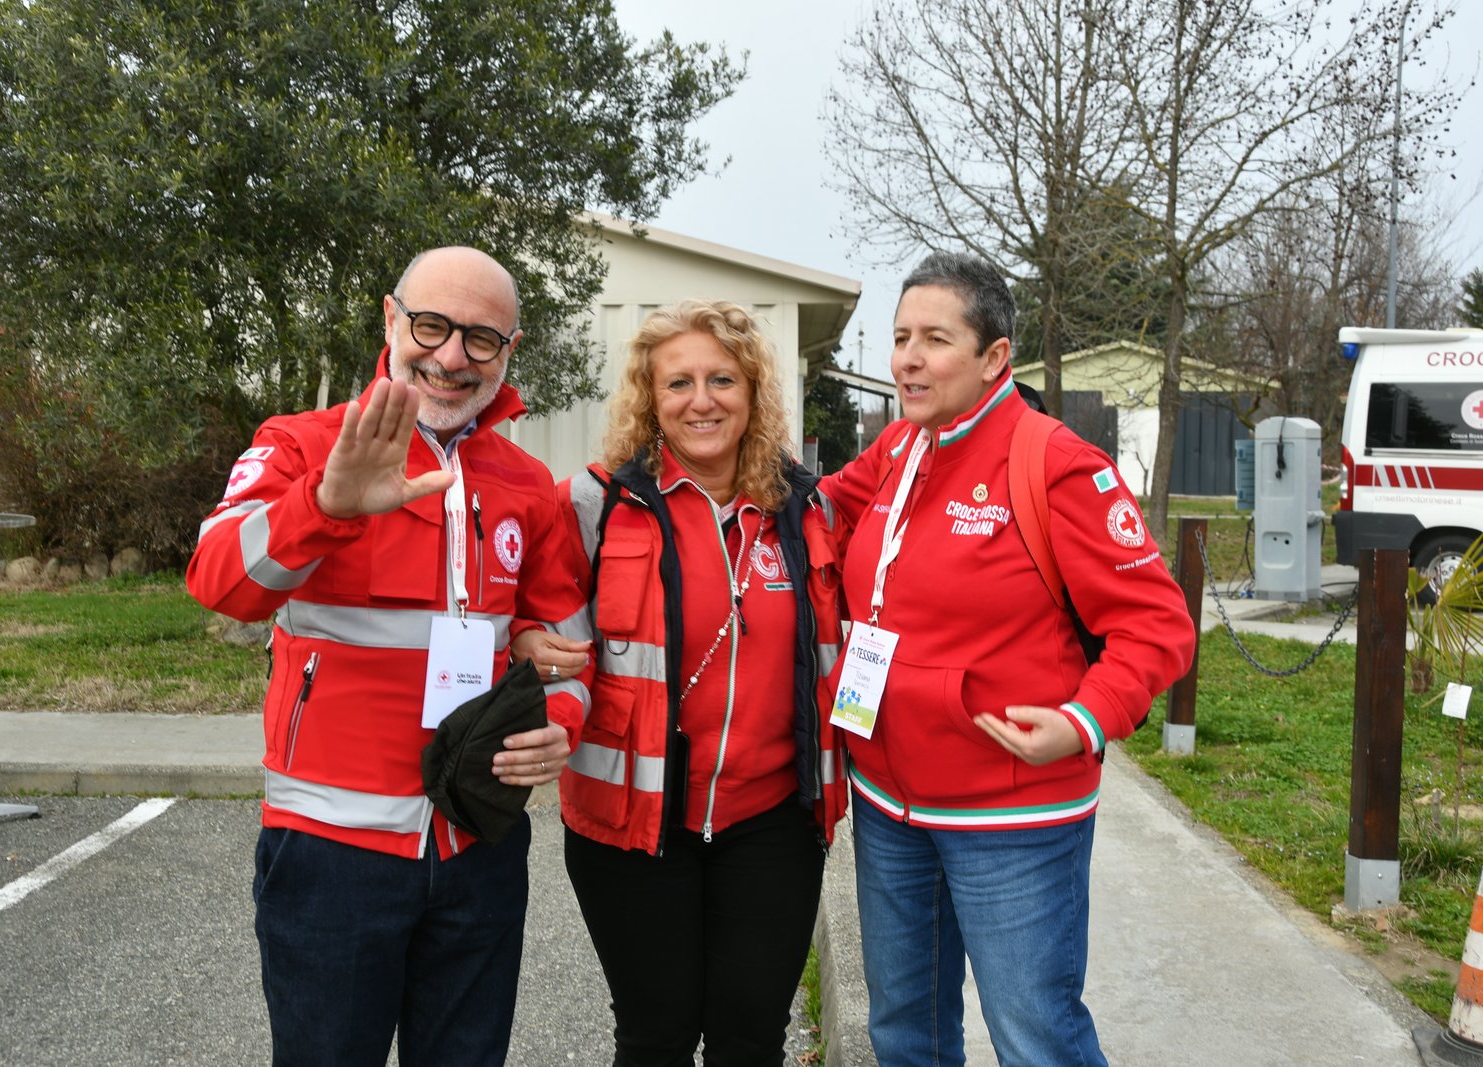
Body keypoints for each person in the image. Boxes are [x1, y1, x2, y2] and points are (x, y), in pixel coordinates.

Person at [185, 246, 593, 1067]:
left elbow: (566, 639)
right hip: (331, 853)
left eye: (481, 338)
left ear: (509, 350)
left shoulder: (526, 481)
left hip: (478, 842)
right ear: (391, 320)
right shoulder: (303, 445)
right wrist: (323, 506)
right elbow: (220, 580)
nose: (451, 357)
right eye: (432, 326)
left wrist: (559, 723)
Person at [819, 251, 1196, 1066]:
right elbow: (813, 509)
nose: (909, 359)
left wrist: (1084, 720)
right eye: (900, 338)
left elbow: (1157, 624)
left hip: (1010, 818)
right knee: (903, 1031)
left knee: (1035, 1038)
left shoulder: (1056, 464)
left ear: (995, 357)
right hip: (888, 803)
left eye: (935, 340)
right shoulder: (898, 447)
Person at [515, 299, 847, 1066]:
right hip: (631, 827)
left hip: (772, 824)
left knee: (750, 1040)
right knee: (655, 1038)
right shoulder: (594, 504)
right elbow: (543, 625)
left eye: (722, 379)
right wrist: (536, 666)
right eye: (679, 383)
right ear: (650, 398)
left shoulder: (808, 511)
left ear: (753, 392)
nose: (702, 401)